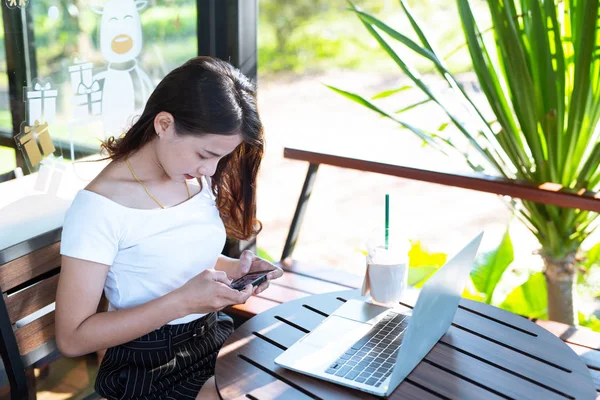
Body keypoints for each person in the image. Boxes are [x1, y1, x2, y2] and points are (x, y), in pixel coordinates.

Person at [55, 56, 283, 399]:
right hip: (148, 367)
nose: (211, 169)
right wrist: (183, 302)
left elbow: (167, 259)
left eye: (221, 157)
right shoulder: (98, 208)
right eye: (205, 153)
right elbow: (72, 337)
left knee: (283, 378)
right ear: (164, 124)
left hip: (208, 337)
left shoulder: (191, 175)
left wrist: (236, 270)